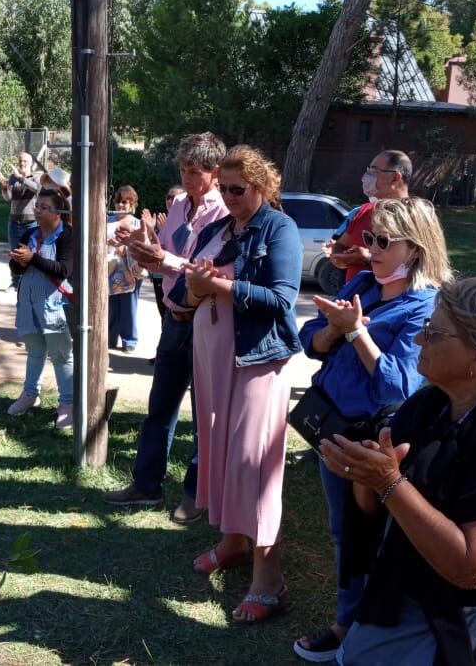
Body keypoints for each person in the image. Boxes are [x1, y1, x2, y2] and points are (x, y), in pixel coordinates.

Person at [322, 278, 476, 665]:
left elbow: (473, 568)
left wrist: (388, 482)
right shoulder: (430, 404)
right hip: (424, 600)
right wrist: (364, 474)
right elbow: (375, 510)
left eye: (433, 333)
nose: (420, 341)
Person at [294, 196, 452, 662]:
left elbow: (397, 386)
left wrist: (356, 332)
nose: (372, 248)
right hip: (331, 427)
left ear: (417, 249)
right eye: (370, 237)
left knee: (367, 536)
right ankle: (356, 622)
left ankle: (355, 628)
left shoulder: (425, 307)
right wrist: (335, 331)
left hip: (370, 439)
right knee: (344, 531)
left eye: (384, 240)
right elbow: (310, 341)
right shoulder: (364, 281)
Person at [171, 145, 302, 622]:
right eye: (222, 188)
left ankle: (269, 580)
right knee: (220, 451)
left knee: (252, 463)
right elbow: (187, 289)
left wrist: (218, 287)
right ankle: (232, 542)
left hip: (258, 361)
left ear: (262, 187)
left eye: (238, 189)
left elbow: (282, 299)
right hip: (215, 360)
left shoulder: (279, 228)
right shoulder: (219, 226)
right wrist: (194, 286)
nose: (228, 197)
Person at [103, 132, 228, 522]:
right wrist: (141, 246)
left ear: (215, 172)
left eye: (195, 172)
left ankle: (195, 494)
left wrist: (161, 258)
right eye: (182, 170)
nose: (187, 179)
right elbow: (165, 263)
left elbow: (201, 272)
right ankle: (146, 485)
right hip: (173, 318)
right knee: (159, 408)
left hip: (205, 321)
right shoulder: (178, 205)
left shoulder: (223, 213)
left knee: (201, 415)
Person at [7, 188, 74, 428]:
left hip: (55, 305)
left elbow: (64, 270)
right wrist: (17, 261)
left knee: (61, 355)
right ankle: (30, 394)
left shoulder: (67, 235)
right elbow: (16, 269)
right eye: (37, 206)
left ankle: (67, 402)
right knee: (35, 351)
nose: (37, 210)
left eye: (44, 207)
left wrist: (31, 259)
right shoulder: (30, 233)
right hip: (29, 303)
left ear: (59, 212)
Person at [326, 150, 412, 284]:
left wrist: (368, 258)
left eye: (374, 171)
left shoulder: (416, 217)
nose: (365, 177)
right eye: (368, 170)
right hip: (355, 300)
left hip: (395, 302)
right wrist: (341, 257)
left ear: (396, 178)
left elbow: (421, 263)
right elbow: (340, 247)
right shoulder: (362, 211)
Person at [106, 185, 144, 353]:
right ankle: (110, 338)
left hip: (131, 269)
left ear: (132, 204)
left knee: (129, 305)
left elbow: (144, 247)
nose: (121, 205)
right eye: (118, 202)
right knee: (112, 305)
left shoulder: (137, 224)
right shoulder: (107, 221)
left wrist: (126, 249)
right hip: (110, 268)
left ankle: (129, 340)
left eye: (125, 202)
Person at [0, 151, 40, 291]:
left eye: (25, 161)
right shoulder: (13, 178)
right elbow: (8, 197)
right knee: (15, 253)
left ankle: (29, 282)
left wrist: (21, 178)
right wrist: (4, 187)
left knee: (30, 253)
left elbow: (37, 189)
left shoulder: (36, 178)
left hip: (31, 223)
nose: (22, 164)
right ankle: (15, 282)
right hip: (14, 222)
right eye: (20, 161)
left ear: (31, 164)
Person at [149, 185, 183, 323]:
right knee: (163, 316)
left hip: (177, 275)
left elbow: (181, 249)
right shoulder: (160, 220)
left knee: (173, 318)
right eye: (168, 197)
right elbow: (154, 248)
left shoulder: (189, 219)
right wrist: (151, 230)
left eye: (175, 197)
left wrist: (166, 231)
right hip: (159, 274)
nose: (170, 200)